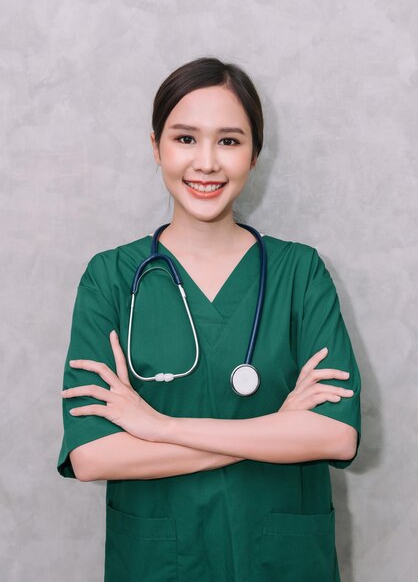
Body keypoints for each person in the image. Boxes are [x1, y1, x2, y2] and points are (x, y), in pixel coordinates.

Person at [57, 57, 361, 582]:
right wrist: (276, 431)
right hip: (161, 561)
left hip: (282, 561)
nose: (206, 163)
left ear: (255, 153)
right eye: (184, 138)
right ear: (156, 147)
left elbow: (335, 436)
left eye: (228, 141)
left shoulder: (300, 273)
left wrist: (158, 428)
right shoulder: (110, 279)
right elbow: (92, 454)